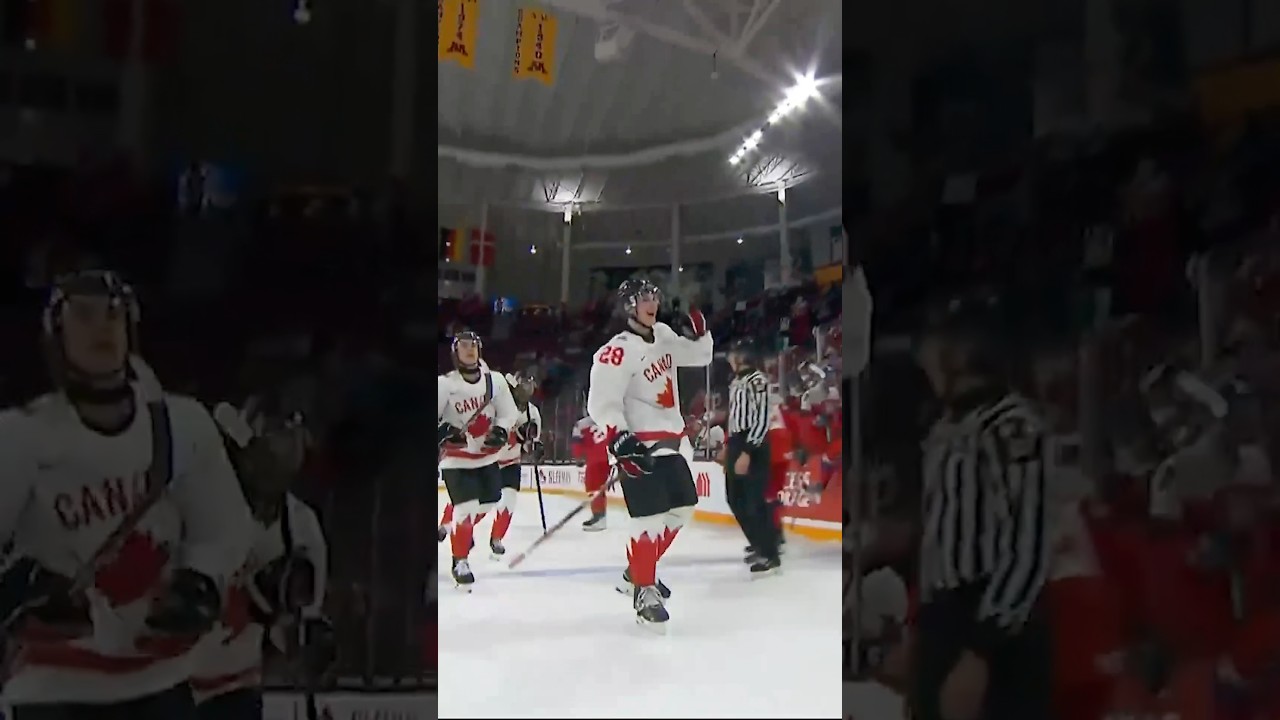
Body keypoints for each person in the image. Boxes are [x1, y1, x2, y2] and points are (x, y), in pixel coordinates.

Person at [0, 270, 255, 719]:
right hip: (54, 686)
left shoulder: (184, 425)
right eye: (84, 315)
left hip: (159, 680)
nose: (103, 326)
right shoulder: (23, 436)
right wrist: (23, 584)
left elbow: (224, 526)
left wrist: (201, 578)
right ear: (55, 334)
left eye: (115, 314)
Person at [910, 300, 1052, 720]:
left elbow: (1028, 547)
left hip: (993, 630)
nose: (925, 362)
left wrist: (980, 651)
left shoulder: (1011, 425)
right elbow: (939, 539)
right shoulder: (947, 427)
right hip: (947, 621)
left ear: (963, 354)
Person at [193, 401, 333, 720]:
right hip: (171, 679)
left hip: (233, 687)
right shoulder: (198, 506)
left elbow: (299, 627)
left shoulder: (300, 526)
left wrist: (302, 636)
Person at [586, 279, 712, 630]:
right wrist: (619, 437)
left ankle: (635, 573)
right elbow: (601, 402)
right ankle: (645, 590)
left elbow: (701, 356)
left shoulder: (666, 335)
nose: (652, 303)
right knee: (648, 519)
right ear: (629, 306)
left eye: (654, 297)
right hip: (638, 445)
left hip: (671, 441)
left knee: (683, 507)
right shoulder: (617, 350)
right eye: (644, 298)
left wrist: (699, 328)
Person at [437, 331, 518, 591]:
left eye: (473, 345)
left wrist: (502, 430)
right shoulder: (445, 385)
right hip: (456, 459)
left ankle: (461, 533)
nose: (469, 350)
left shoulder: (495, 382)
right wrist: (445, 431)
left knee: (491, 501)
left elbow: (509, 412)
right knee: (466, 507)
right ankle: (460, 561)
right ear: (455, 352)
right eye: (463, 346)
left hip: (486, 458)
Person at [724, 339, 779, 575]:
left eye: (732, 355)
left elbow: (762, 419)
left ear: (741, 358)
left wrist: (747, 450)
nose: (728, 360)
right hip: (737, 441)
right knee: (735, 498)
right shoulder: (736, 381)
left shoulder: (757, 381)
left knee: (753, 501)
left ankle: (769, 553)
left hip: (752, 444)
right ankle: (758, 543)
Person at [488, 371, 543, 558]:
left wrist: (534, 447)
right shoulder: (498, 406)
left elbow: (531, 442)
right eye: (523, 387)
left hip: (511, 462)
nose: (526, 392)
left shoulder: (532, 413)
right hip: (490, 460)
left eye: (529, 388)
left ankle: (497, 539)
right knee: (480, 504)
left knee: (508, 502)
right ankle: (453, 527)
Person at [573, 415, 611, 531]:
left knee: (593, 486)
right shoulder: (609, 416)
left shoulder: (581, 424)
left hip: (595, 457)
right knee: (599, 487)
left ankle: (599, 517)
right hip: (610, 455)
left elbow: (577, 440)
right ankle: (599, 516)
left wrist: (578, 455)